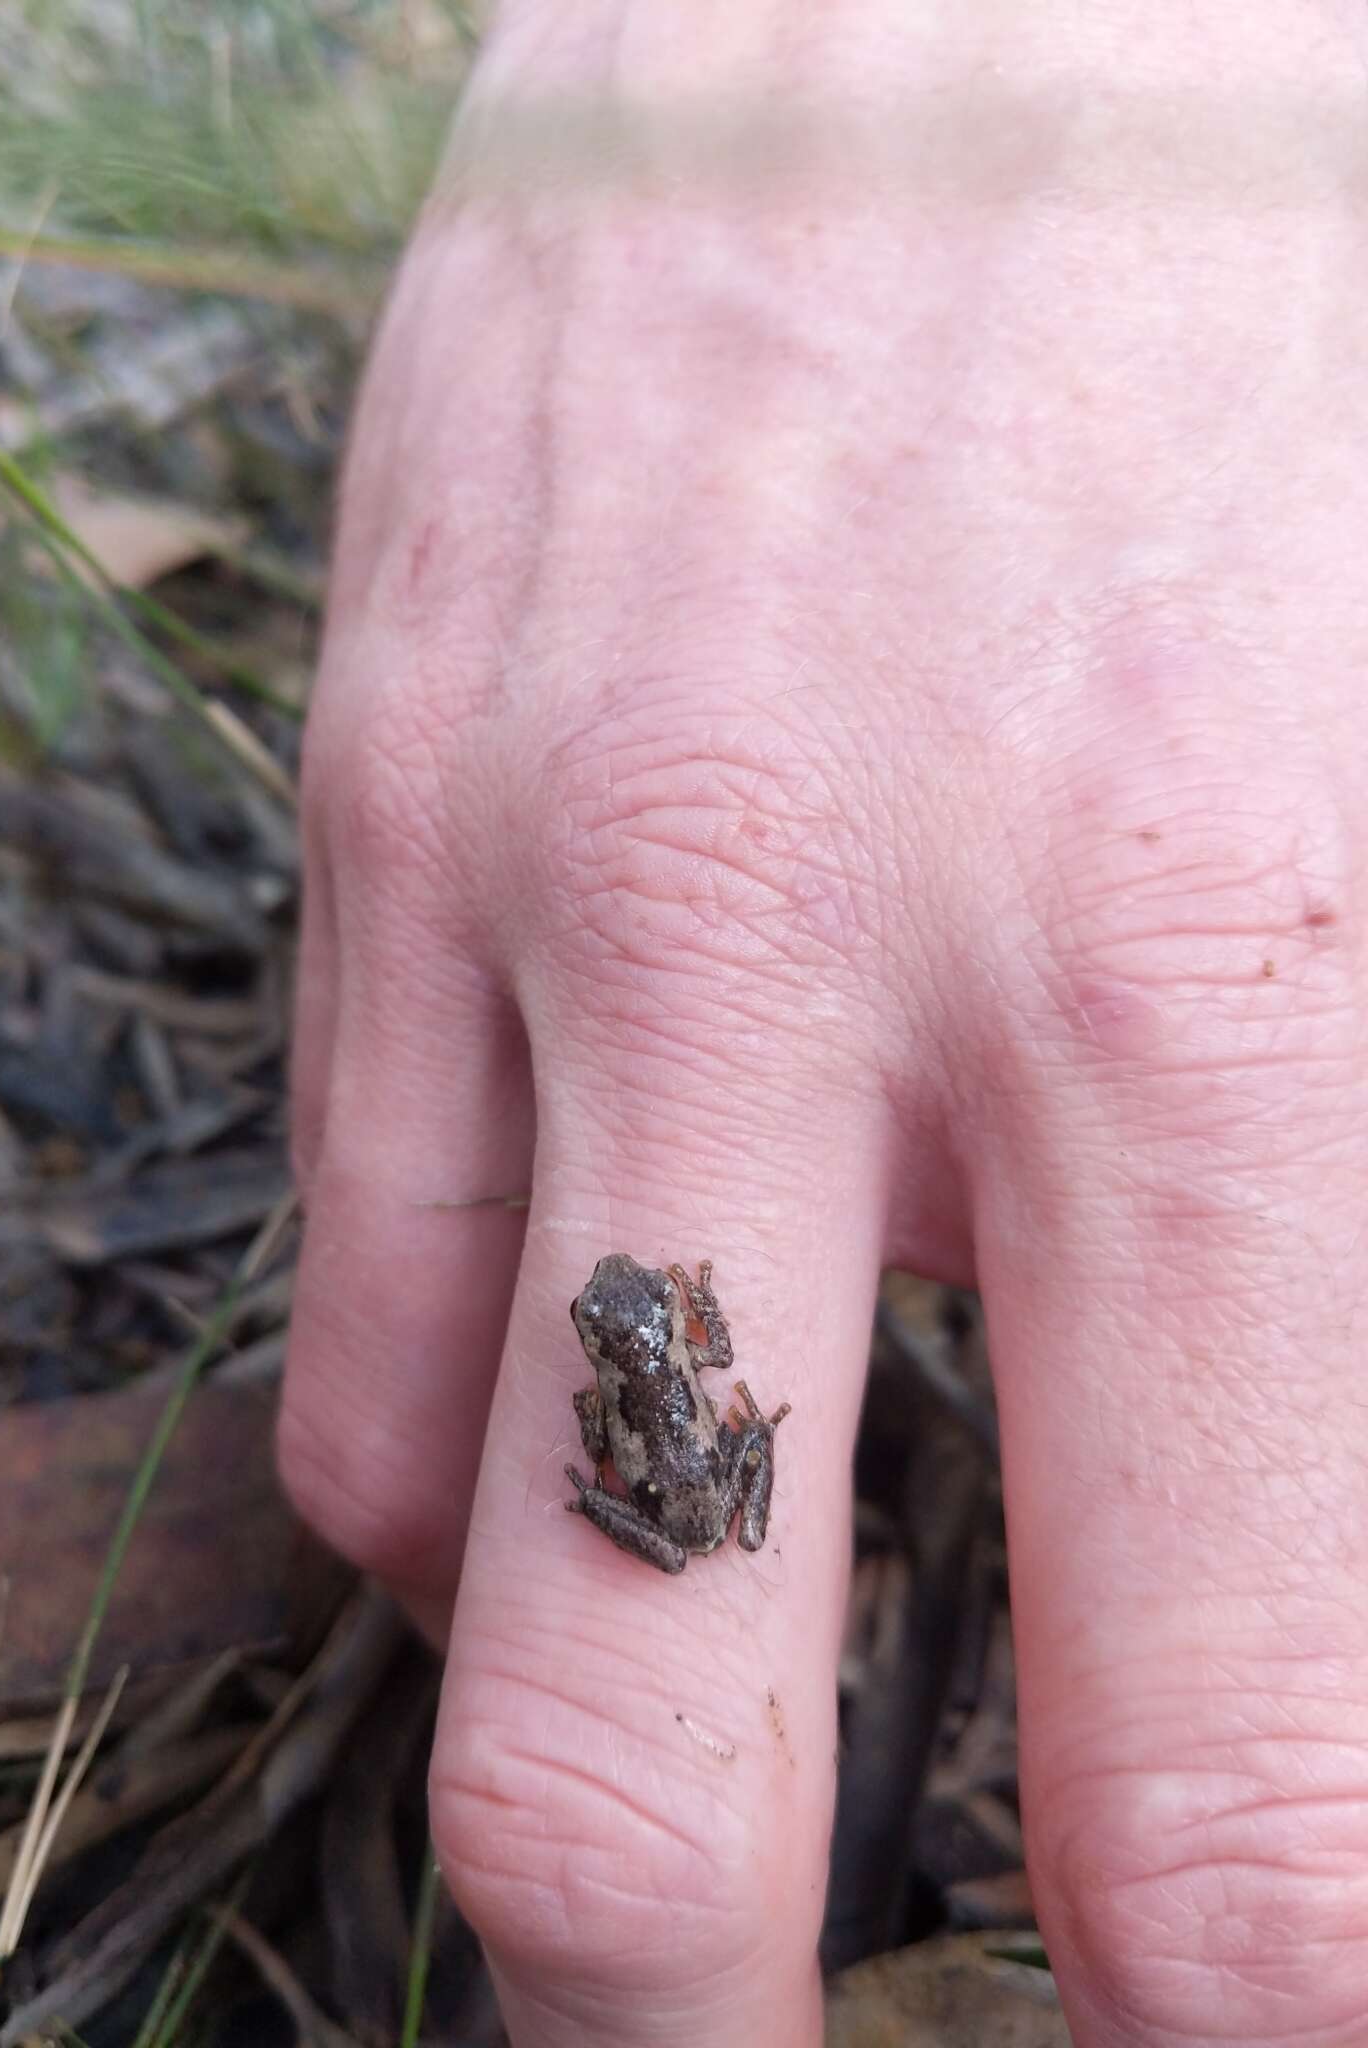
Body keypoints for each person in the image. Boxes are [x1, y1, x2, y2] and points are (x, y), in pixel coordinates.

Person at [280, 5, 1368, 2042]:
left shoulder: (658, 1338)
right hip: (688, 1471)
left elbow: (663, 1407)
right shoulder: (664, 1348)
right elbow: (666, 1431)